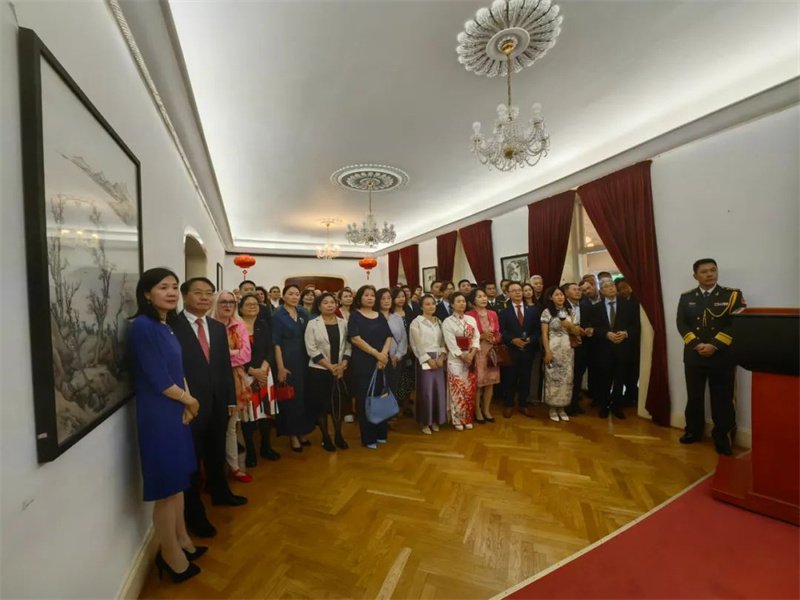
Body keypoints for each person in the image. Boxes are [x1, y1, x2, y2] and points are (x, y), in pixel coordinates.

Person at [128, 268, 202, 583]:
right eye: (163, 287)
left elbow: (177, 370)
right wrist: (191, 401)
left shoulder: (164, 325)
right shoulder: (142, 328)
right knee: (166, 490)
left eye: (174, 286)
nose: (171, 292)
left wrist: (187, 401)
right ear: (147, 293)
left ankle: (183, 539)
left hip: (176, 408)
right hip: (158, 414)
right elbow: (159, 379)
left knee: (179, 482)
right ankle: (170, 555)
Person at [171, 277, 246, 541]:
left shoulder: (216, 326)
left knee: (216, 451)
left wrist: (230, 400)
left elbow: (225, 367)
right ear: (184, 296)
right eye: (198, 293)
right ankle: (195, 514)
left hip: (218, 403)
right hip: (189, 405)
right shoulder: (172, 327)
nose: (204, 298)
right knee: (193, 458)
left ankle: (220, 493)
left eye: (208, 293)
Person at [676, 259, 745, 455]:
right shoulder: (687, 297)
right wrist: (697, 345)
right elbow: (681, 323)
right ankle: (693, 431)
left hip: (722, 356)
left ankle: (723, 438)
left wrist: (714, 345)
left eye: (713, 270)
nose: (709, 274)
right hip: (694, 355)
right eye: (704, 271)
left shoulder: (732, 295)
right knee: (694, 397)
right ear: (695, 276)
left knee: (722, 399)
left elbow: (735, 323)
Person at [211, 290, 253, 483]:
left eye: (231, 302)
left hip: (235, 381)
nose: (228, 306)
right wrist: (233, 352)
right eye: (223, 302)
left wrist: (225, 354)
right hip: (211, 379)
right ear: (215, 303)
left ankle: (234, 466)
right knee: (213, 426)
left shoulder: (239, 325)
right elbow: (207, 355)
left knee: (231, 426)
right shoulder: (208, 325)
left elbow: (245, 355)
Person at [305, 292, 351, 452]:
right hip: (319, 371)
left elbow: (348, 345)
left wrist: (343, 364)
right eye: (325, 303)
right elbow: (311, 349)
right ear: (319, 306)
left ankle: (338, 435)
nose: (330, 305)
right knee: (322, 406)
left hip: (340, 370)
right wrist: (330, 367)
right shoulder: (313, 324)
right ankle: (325, 437)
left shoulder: (343, 323)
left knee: (338, 405)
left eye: (332, 302)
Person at [348, 285, 393, 449]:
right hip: (363, 363)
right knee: (365, 399)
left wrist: (384, 355)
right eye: (366, 295)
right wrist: (376, 354)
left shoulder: (380, 316)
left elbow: (388, 336)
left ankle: (381, 433)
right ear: (359, 298)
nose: (369, 298)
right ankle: (368, 438)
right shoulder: (355, 316)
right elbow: (355, 339)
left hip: (382, 362)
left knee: (381, 397)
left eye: (372, 295)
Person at [272, 284, 316, 452]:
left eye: (297, 294)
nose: (294, 297)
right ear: (283, 296)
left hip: (305, 361)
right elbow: (276, 344)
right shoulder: (277, 316)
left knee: (304, 398)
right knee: (291, 400)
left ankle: (302, 431)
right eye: (290, 294)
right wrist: (280, 367)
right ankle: (292, 435)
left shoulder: (303, 313)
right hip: (288, 361)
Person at [239, 293, 280, 467]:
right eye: (248, 304)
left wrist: (263, 369)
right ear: (240, 308)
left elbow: (271, 348)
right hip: (243, 375)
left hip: (265, 374)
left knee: (265, 413)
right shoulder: (235, 326)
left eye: (255, 304)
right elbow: (233, 353)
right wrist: (251, 370)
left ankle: (266, 446)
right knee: (248, 415)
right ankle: (250, 451)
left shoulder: (263, 325)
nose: (252, 306)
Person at [595, 278, 640, 420]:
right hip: (604, 349)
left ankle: (617, 407)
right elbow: (594, 328)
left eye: (612, 285)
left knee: (620, 379)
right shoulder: (596, 307)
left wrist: (626, 334)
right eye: (606, 286)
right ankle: (604, 406)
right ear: (601, 291)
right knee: (604, 380)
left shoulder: (628, 305)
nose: (610, 288)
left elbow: (636, 326)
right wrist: (606, 334)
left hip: (623, 348)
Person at [498, 282, 541, 418]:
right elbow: (501, 331)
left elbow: (537, 330)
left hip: (528, 349)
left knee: (526, 378)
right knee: (510, 378)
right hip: (511, 351)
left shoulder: (532, 310)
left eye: (519, 290)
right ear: (508, 294)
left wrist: (530, 339)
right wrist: (512, 340)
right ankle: (509, 404)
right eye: (514, 290)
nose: (517, 292)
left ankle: (523, 404)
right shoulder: (504, 312)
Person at [409, 295, 448, 434]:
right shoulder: (416, 322)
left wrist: (442, 357)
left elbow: (443, 342)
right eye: (427, 304)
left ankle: (437, 420)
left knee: (438, 390)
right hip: (424, 359)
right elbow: (416, 344)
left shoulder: (439, 321)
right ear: (421, 306)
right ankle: (425, 422)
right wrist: (427, 359)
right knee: (426, 391)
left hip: (438, 359)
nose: (431, 306)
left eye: (433, 304)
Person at [541, 286, 580, 422]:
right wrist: (547, 351)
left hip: (567, 349)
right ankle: (552, 408)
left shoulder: (570, 311)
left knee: (567, 378)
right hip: (553, 347)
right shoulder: (547, 312)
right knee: (553, 378)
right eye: (556, 295)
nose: (560, 297)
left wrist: (570, 325)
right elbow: (544, 334)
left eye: (561, 294)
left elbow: (577, 331)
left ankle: (562, 408)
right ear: (551, 297)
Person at [441, 292, 480, 431]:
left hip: (470, 356)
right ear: (452, 304)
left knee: (469, 389)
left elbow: (476, 337)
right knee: (457, 389)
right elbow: (450, 342)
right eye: (458, 301)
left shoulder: (471, 319)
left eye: (463, 301)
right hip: (456, 359)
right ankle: (457, 419)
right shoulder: (447, 321)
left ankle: (467, 418)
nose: (462, 303)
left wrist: (472, 353)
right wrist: (463, 356)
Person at [466, 288, 501, 423]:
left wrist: (495, 339)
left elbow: (498, 332)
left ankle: (486, 409)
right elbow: (467, 336)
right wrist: (481, 337)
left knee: (490, 382)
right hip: (477, 351)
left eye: (484, 296)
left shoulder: (493, 313)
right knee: (478, 383)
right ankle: (477, 411)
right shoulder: (469, 315)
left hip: (491, 352)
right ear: (473, 300)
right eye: (479, 296)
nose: (483, 298)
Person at [564, 282, 593, 416]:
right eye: (574, 289)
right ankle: (565, 403)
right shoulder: (562, 307)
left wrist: (588, 329)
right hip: (566, 346)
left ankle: (574, 403)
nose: (578, 291)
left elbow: (590, 322)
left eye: (579, 290)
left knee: (578, 375)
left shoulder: (586, 306)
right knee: (567, 376)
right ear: (566, 293)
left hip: (582, 346)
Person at [376, 288, 408, 401]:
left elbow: (403, 338)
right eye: (383, 298)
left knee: (393, 386)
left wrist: (397, 356)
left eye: (389, 298)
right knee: (379, 388)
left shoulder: (397, 317)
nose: (386, 301)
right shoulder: (374, 317)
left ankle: (392, 409)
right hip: (378, 359)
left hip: (395, 358)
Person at [616, 277, 641, 406]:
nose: (622, 291)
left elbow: (639, 324)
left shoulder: (638, 300)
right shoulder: (617, 302)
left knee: (634, 371)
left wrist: (627, 333)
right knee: (624, 372)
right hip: (620, 343)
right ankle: (630, 395)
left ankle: (633, 395)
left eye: (624, 287)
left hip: (635, 342)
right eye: (619, 289)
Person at [391, 287, 416, 417]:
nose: (401, 299)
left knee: (407, 377)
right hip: (395, 350)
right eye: (398, 297)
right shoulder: (389, 314)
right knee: (397, 378)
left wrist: (412, 344)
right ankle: (396, 405)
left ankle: (406, 403)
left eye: (402, 296)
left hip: (410, 350)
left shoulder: (409, 311)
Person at [335, 286, 356, 422]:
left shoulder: (356, 312)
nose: (348, 299)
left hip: (357, 349)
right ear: (340, 299)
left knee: (355, 381)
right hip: (341, 349)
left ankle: (358, 409)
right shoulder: (336, 312)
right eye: (345, 296)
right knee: (343, 382)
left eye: (350, 296)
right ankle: (346, 410)